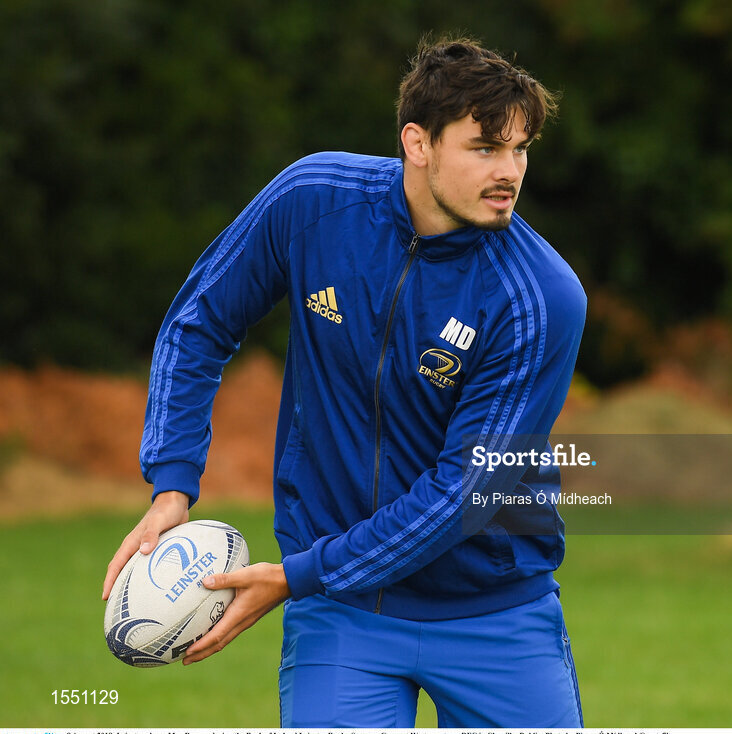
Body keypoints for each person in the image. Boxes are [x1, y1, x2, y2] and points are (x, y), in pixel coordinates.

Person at [102, 36, 586, 728]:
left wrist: (295, 576)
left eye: (520, 149)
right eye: (484, 148)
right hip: (344, 616)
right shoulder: (313, 203)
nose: (509, 170)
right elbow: (198, 321)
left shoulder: (540, 298)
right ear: (417, 143)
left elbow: (462, 496)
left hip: (493, 612)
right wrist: (172, 485)